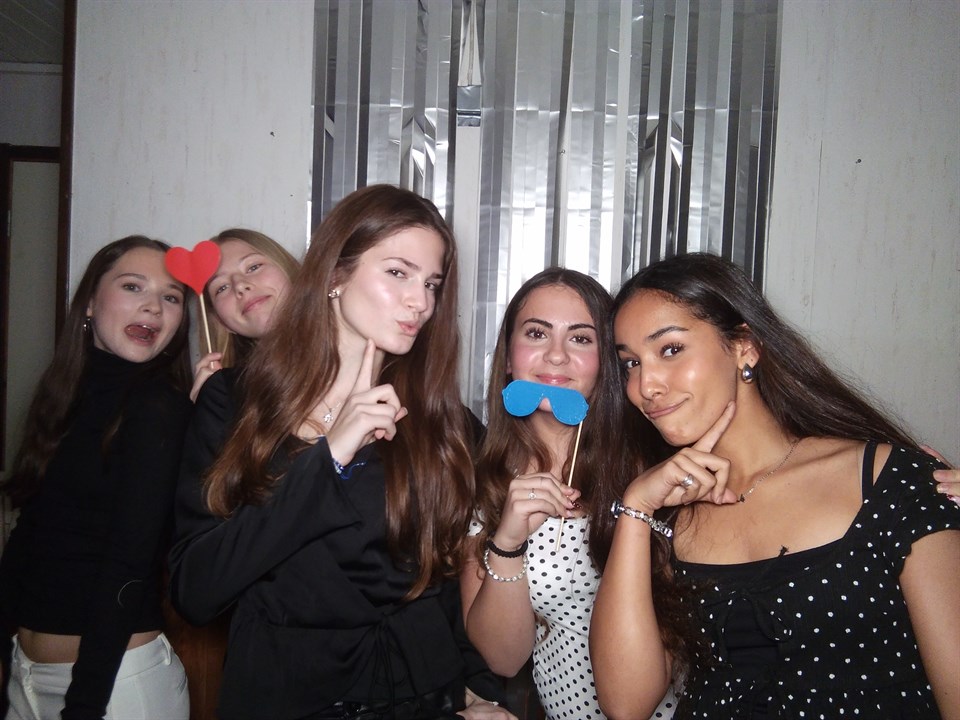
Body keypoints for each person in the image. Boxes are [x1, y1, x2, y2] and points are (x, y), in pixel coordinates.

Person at [168, 185, 515, 720]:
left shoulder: (441, 420)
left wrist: (478, 692)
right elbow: (196, 588)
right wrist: (329, 458)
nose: (421, 302)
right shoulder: (233, 402)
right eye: (398, 273)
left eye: (431, 283)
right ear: (335, 273)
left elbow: (446, 584)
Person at [590, 252, 960, 719]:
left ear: (745, 347)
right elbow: (625, 705)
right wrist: (637, 508)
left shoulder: (889, 481)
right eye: (630, 363)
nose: (646, 386)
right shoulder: (665, 512)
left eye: (670, 349)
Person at [462, 268, 677, 720]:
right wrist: (508, 542)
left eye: (580, 339)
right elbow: (504, 660)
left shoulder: (653, 465)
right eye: (536, 333)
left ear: (606, 363)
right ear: (508, 356)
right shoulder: (483, 484)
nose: (556, 355)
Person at [0, 236, 193, 720]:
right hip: (26, 675)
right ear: (89, 301)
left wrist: (84, 703)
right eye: (133, 286)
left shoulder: (159, 408)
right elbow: (30, 536)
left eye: (171, 297)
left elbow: (130, 561)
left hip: (113, 685)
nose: (153, 307)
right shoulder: (63, 395)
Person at [189, 228, 299, 401]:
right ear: (221, 322)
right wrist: (210, 409)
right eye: (221, 288)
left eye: (253, 267)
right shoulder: (231, 394)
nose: (239, 285)